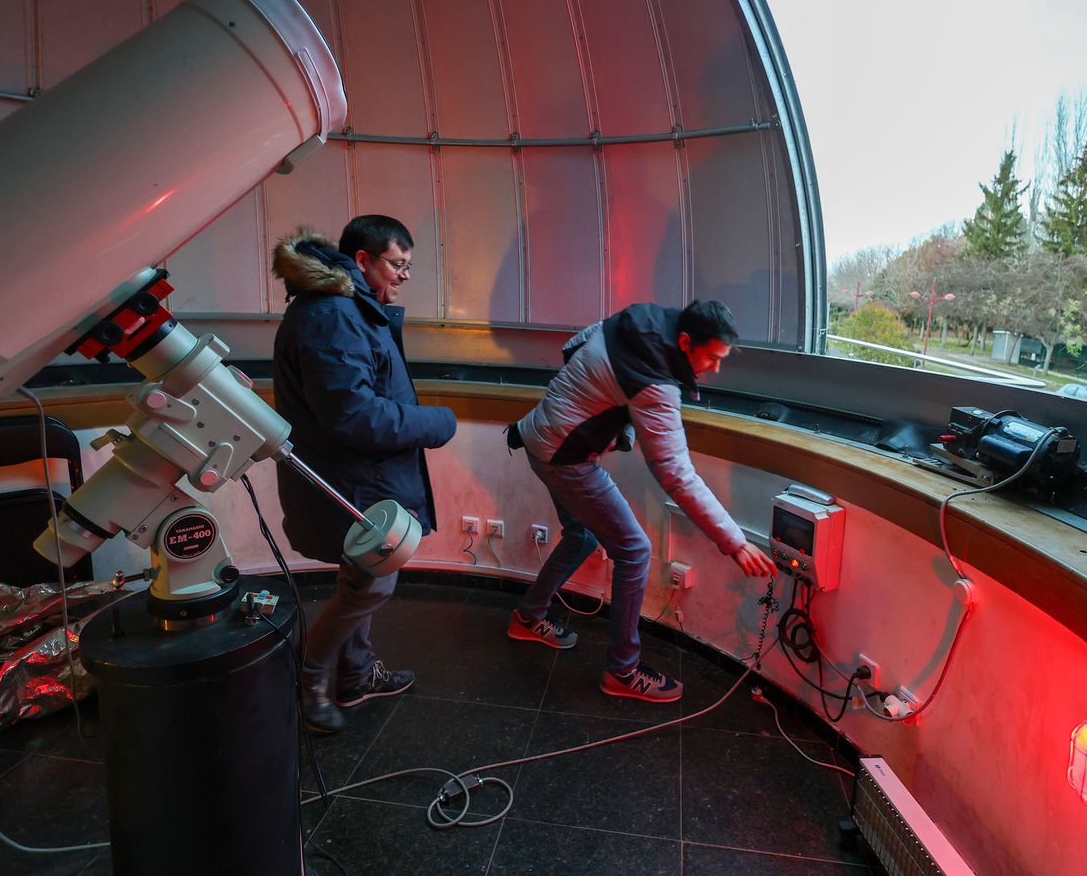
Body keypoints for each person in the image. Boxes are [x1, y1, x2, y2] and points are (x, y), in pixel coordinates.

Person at [506, 300, 778, 702]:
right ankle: (623, 671)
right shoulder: (655, 383)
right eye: (713, 357)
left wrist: (619, 423)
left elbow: (574, 346)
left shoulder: (643, 319)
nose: (716, 368)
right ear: (686, 342)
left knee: (581, 536)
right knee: (634, 551)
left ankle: (528, 616)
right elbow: (676, 474)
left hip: (537, 435)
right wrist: (733, 541)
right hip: (565, 459)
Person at [271, 216, 457, 733]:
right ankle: (309, 677)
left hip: (357, 477)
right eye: (397, 264)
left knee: (360, 577)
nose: (404, 275)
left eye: (407, 266)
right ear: (362, 261)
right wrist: (436, 421)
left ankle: (355, 676)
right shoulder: (333, 316)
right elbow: (353, 415)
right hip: (353, 481)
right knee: (371, 587)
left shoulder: (342, 309)